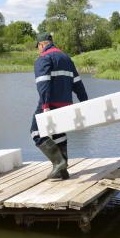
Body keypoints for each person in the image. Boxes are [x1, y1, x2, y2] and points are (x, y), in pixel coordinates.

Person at [31, 32, 88, 180]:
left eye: (38, 47)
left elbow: (43, 84)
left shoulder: (43, 58)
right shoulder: (66, 58)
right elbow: (77, 83)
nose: (38, 50)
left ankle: (59, 162)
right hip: (66, 104)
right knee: (59, 134)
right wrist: (85, 102)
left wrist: (45, 105)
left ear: (42, 44)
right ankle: (62, 171)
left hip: (50, 103)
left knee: (36, 133)